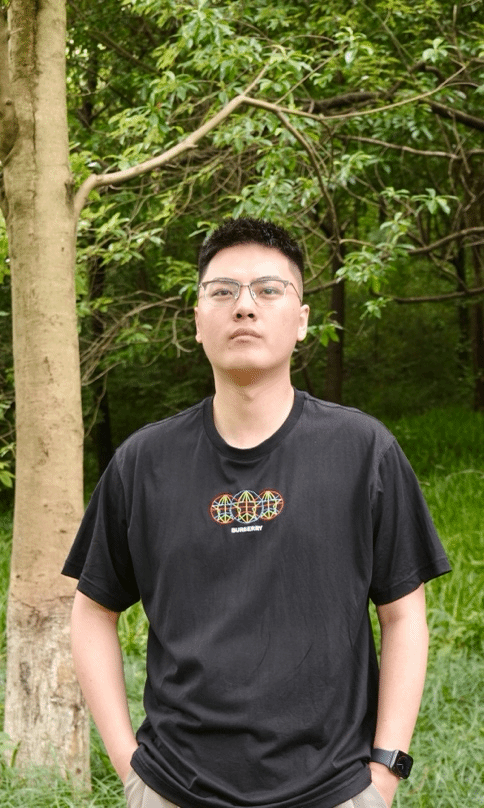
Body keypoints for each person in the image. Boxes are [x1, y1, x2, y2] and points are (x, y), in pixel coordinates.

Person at [63, 217, 450, 808]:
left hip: (335, 790)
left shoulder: (363, 451)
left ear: (302, 320)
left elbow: (404, 616)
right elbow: (92, 610)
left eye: (268, 289)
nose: (244, 306)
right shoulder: (143, 462)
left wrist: (385, 772)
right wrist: (130, 768)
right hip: (173, 789)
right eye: (222, 291)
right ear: (198, 321)